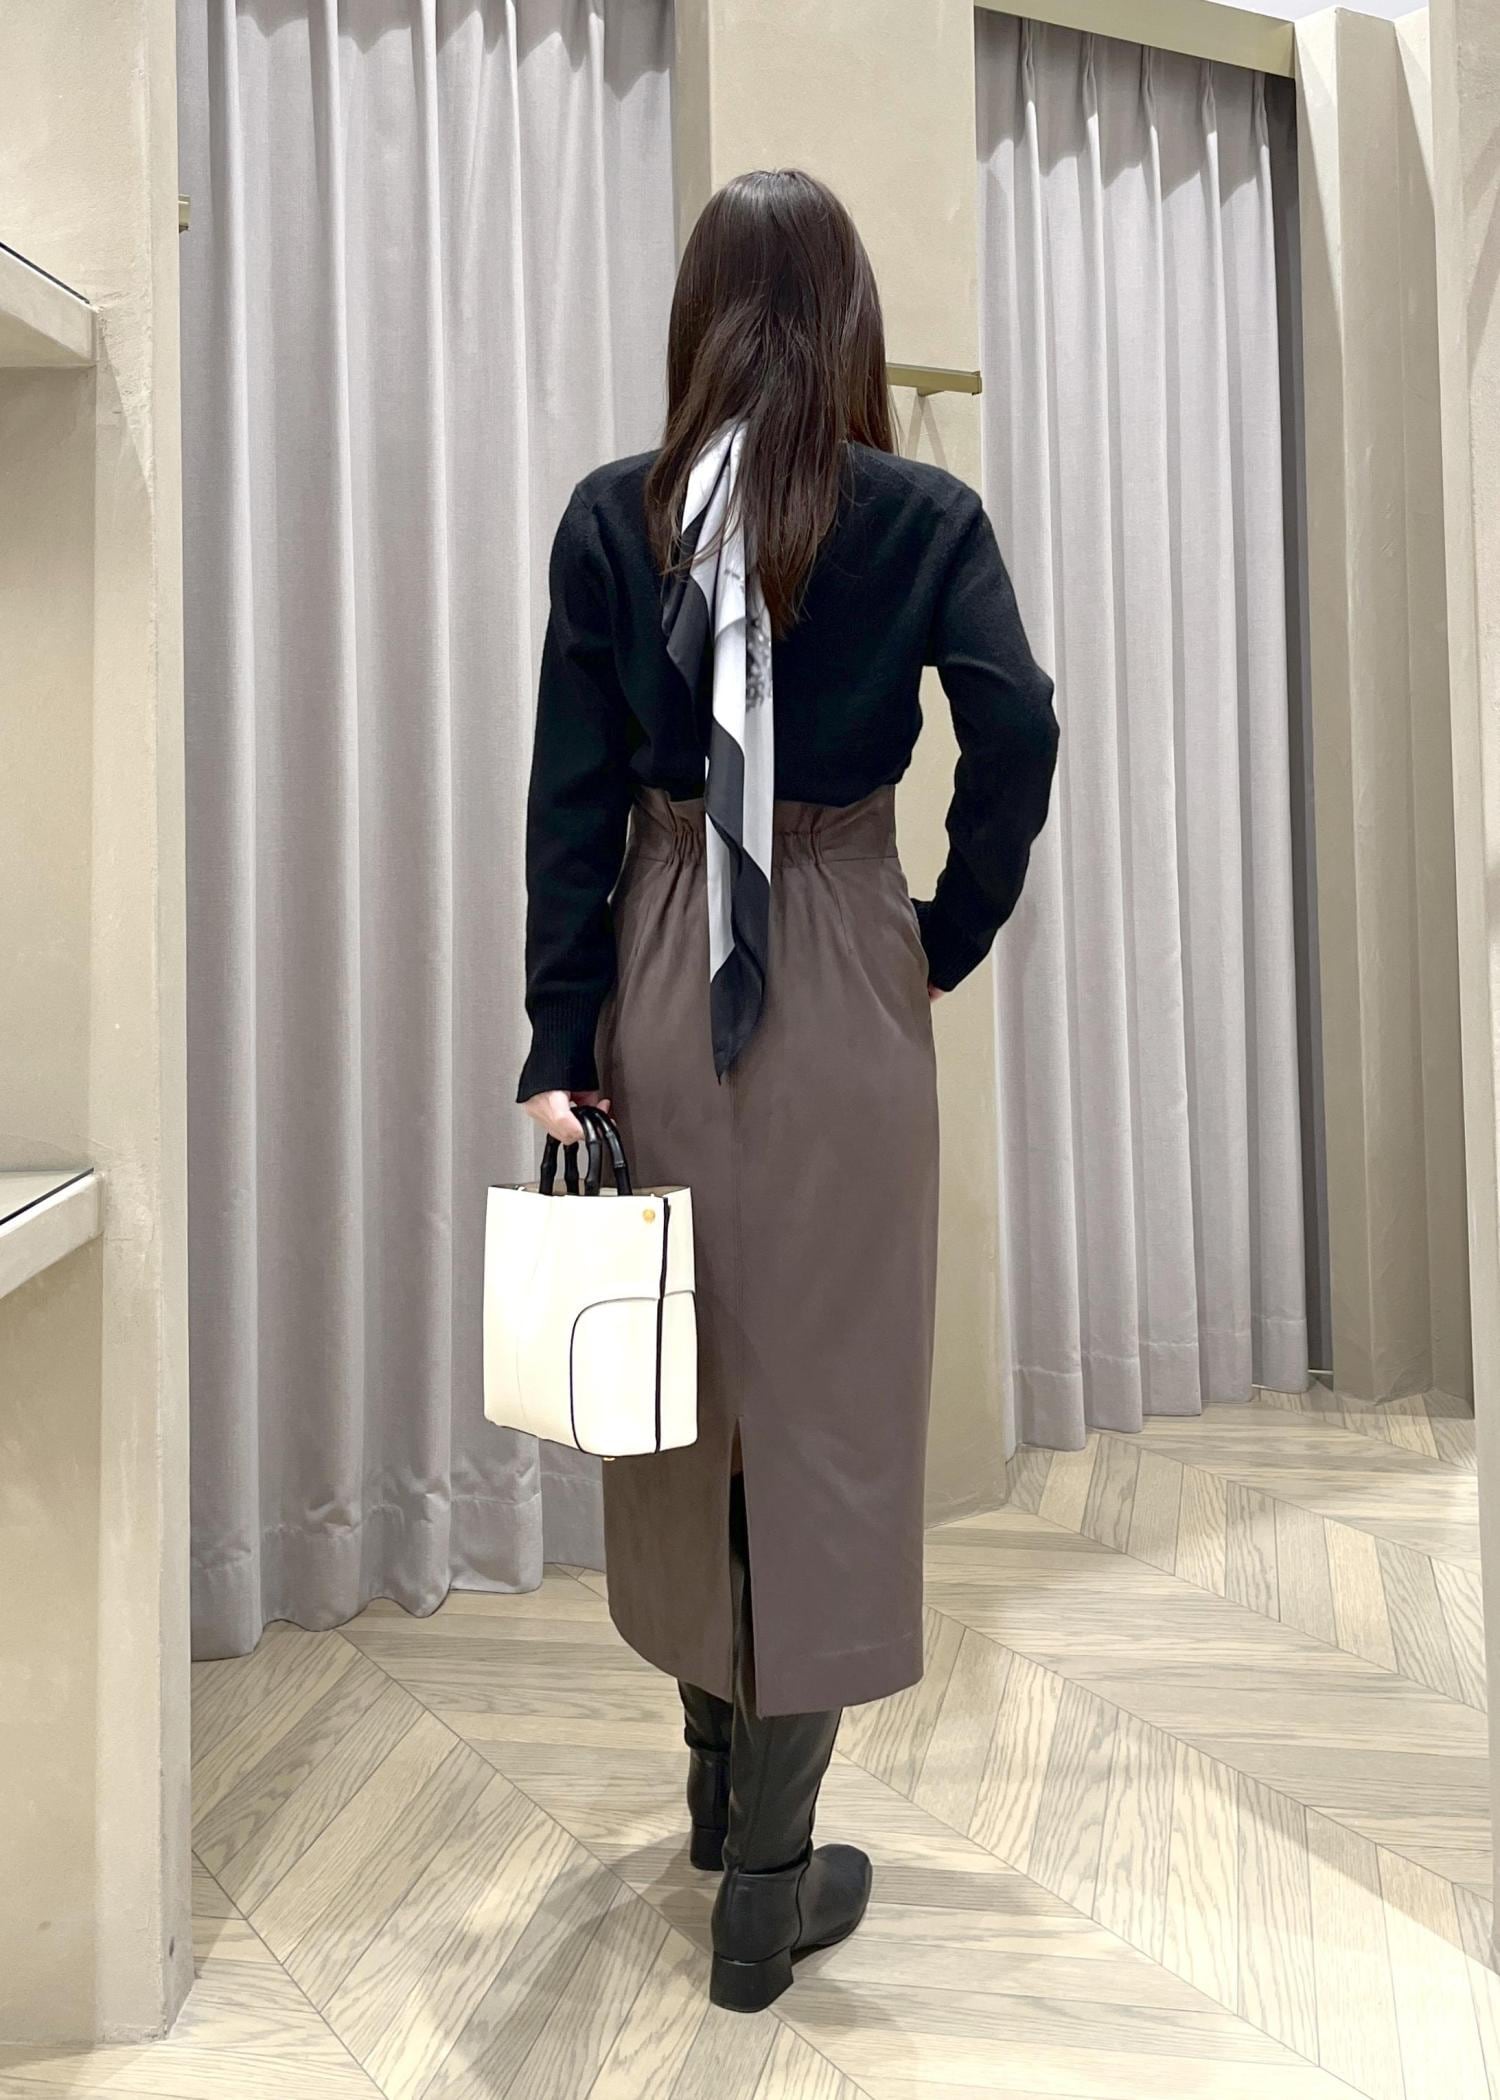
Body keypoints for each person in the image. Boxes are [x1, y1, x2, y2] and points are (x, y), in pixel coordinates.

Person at [516, 168, 1058, 2013]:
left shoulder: (615, 518)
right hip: (838, 963)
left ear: (698, 320)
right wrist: (943, 933)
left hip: (663, 962)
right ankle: (767, 1876)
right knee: (823, 1409)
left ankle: (711, 1786)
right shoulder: (918, 515)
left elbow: (571, 801)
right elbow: (1019, 726)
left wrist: (558, 1038)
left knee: (680, 1387)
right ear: (850, 324)